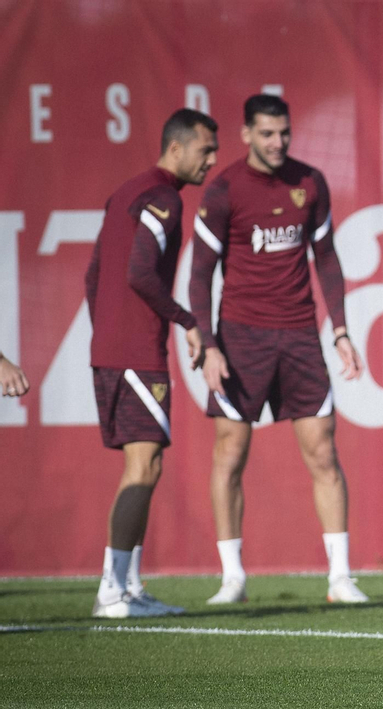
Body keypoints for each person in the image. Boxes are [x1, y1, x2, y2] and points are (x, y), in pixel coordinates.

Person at [189, 94, 367, 605]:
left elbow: (327, 261)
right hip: (241, 338)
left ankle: (340, 578)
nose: (277, 142)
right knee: (231, 452)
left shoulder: (309, 182)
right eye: (267, 133)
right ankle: (232, 579)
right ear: (245, 134)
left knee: (323, 452)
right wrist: (209, 342)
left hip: (300, 338)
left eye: (284, 133)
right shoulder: (223, 191)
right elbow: (199, 275)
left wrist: (340, 332)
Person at [86, 108, 219, 617]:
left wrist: (105, 337)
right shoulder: (162, 197)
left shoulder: (126, 191)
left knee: (147, 463)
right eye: (205, 150)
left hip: (114, 351)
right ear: (176, 148)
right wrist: (187, 321)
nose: (211, 160)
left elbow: (94, 274)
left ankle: (130, 586)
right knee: (143, 466)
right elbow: (141, 272)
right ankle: (111, 592)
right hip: (136, 353)